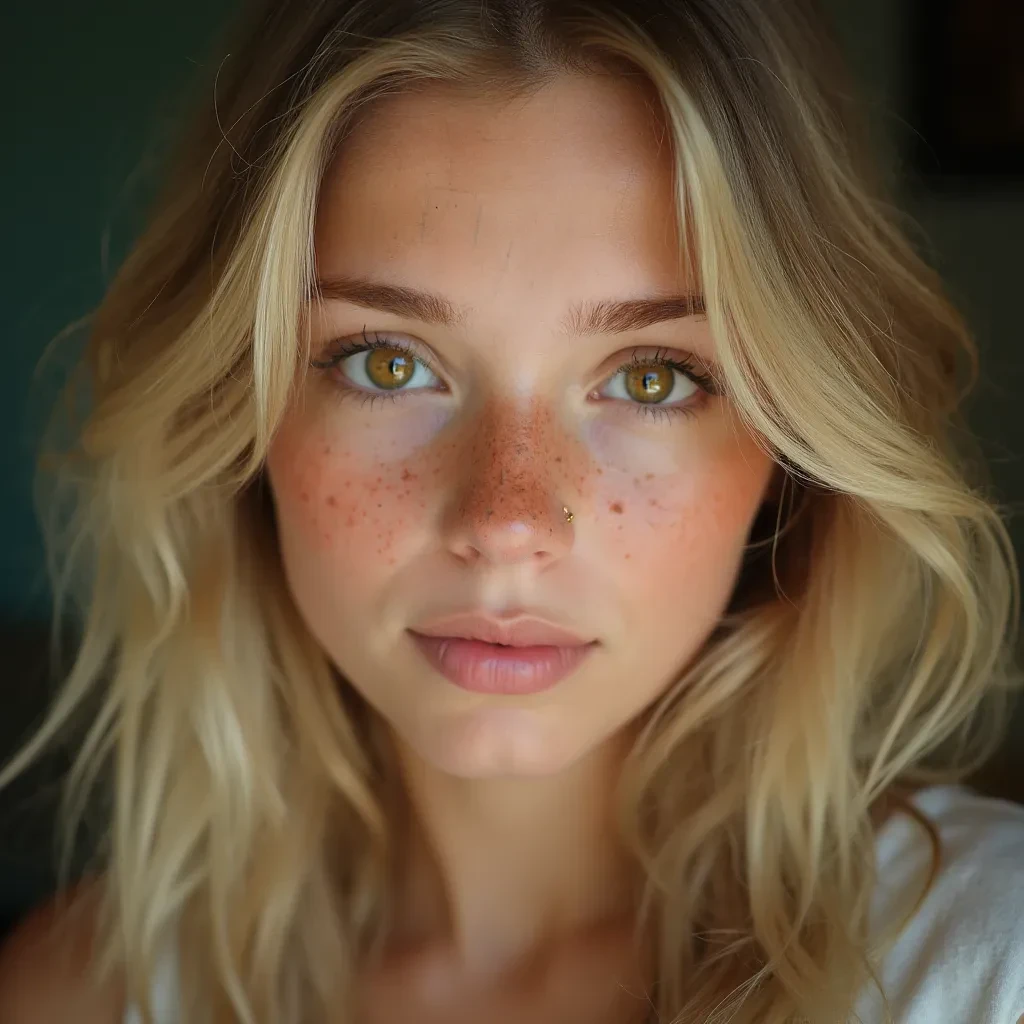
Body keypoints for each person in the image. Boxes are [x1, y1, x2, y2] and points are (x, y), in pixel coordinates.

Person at [1, 0, 1023, 1021]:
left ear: (794, 451)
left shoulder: (985, 966)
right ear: (238, 410)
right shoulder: (76, 996)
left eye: (654, 379)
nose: (507, 519)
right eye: (387, 362)